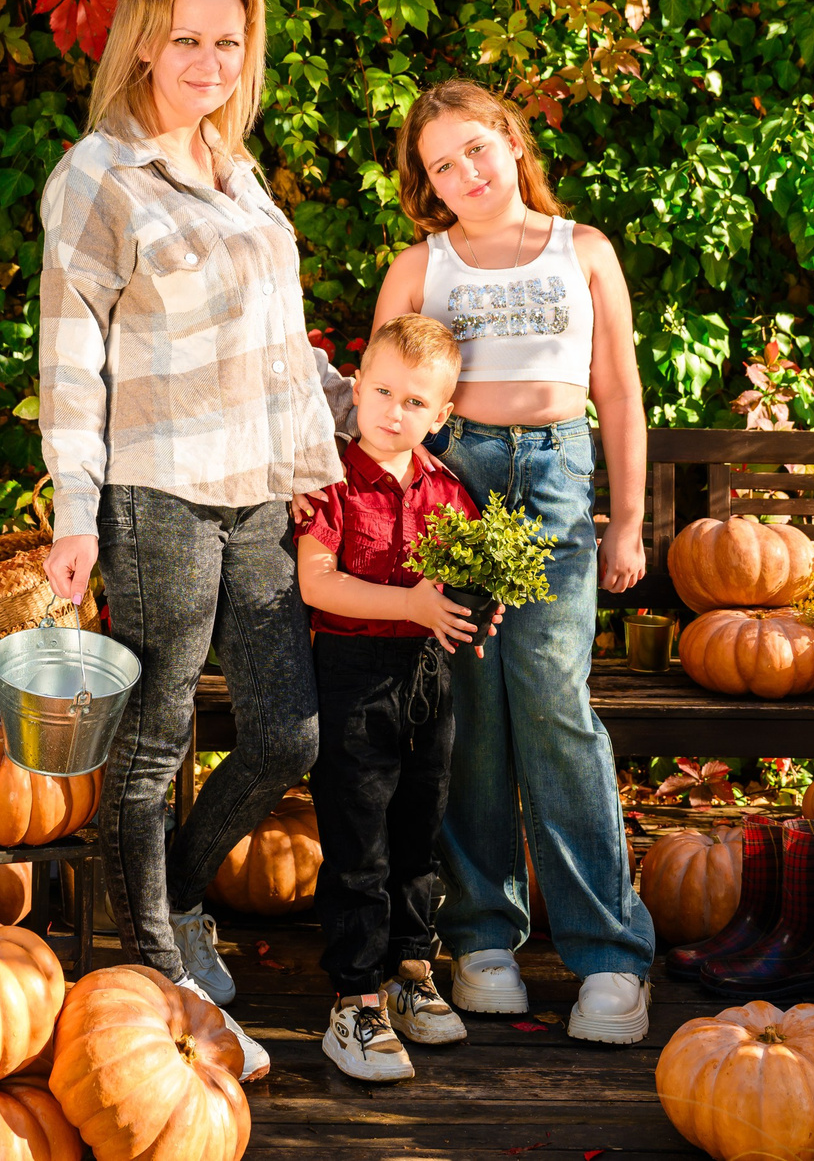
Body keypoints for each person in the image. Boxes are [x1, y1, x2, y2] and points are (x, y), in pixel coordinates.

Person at [37, 0, 354, 1081]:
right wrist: (78, 511)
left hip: (258, 489)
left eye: (229, 41)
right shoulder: (98, 176)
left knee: (285, 733)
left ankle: (164, 896)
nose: (210, 61)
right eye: (188, 40)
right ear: (144, 41)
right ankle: (157, 960)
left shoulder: (237, 167)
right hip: (158, 491)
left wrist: (353, 414)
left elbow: (276, 341)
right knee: (154, 733)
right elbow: (72, 361)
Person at [371, 79, 657, 1044]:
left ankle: (610, 953)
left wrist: (626, 521)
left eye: (475, 150)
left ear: (511, 140)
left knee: (552, 700)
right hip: (454, 481)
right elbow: (383, 406)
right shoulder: (422, 266)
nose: (464, 175)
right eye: (441, 165)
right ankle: (483, 936)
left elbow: (617, 387)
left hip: (555, 479)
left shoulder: (584, 250)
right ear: (427, 184)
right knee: (469, 708)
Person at [293, 314, 490, 1083]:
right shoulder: (332, 480)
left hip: (429, 680)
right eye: (380, 390)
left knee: (418, 830)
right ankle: (354, 998)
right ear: (357, 388)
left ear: (441, 415)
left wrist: (480, 605)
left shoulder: (450, 490)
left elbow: (466, 589)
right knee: (357, 843)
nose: (392, 410)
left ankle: (411, 971)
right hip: (353, 674)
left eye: (414, 401)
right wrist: (409, 604)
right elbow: (317, 580)